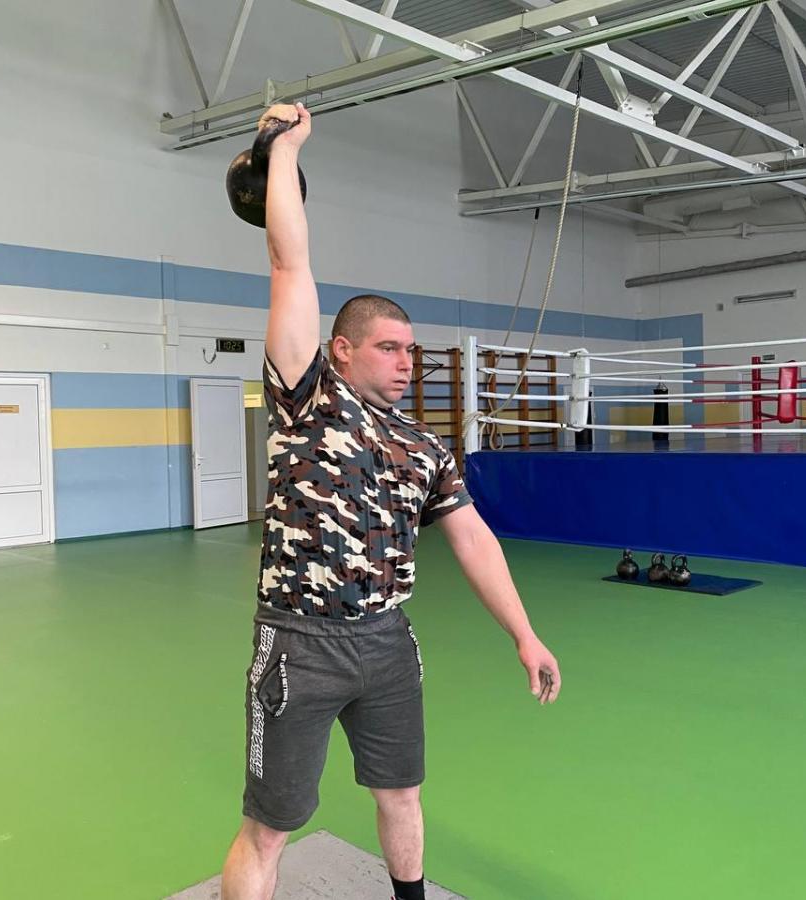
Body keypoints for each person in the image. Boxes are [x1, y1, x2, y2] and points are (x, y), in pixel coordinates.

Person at [221, 102, 562, 900]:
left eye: (413, 351)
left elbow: (473, 539)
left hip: (386, 643)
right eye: (389, 348)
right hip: (300, 643)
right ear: (341, 351)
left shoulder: (424, 447)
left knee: (401, 795)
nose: (408, 362)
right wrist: (285, 153)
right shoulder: (308, 398)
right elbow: (289, 266)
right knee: (269, 828)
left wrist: (524, 634)